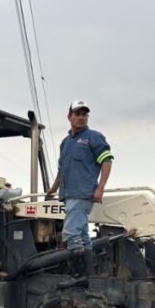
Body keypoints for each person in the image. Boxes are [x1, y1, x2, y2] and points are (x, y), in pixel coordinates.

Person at [45, 100, 114, 288]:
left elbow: (107, 161)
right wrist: (53, 188)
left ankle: (78, 275)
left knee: (69, 233)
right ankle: (84, 276)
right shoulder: (65, 143)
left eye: (84, 114)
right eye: (77, 114)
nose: (81, 117)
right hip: (68, 194)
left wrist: (100, 187)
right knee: (82, 235)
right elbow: (62, 170)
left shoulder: (93, 137)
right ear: (69, 117)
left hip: (82, 194)